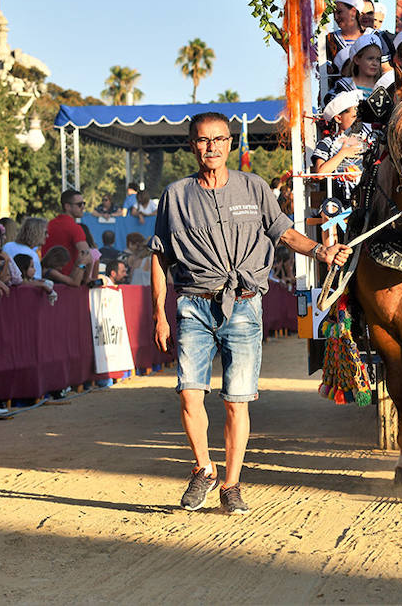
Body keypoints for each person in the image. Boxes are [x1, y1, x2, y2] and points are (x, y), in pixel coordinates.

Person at [151, 112, 352, 515]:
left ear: (231, 143)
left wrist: (321, 251)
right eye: (205, 140)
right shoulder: (175, 196)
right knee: (190, 394)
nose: (213, 147)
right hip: (193, 304)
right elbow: (159, 256)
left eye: (220, 139)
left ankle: (231, 484)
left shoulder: (254, 187)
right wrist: (159, 314)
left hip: (244, 304)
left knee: (235, 401)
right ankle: (204, 469)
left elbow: (284, 231)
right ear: (192, 145)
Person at [44, 190, 92, 279]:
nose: (83, 207)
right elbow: (86, 255)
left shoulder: (49, 224)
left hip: (47, 278)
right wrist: (84, 278)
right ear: (67, 206)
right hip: (68, 281)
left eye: (83, 203)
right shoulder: (75, 228)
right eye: (79, 204)